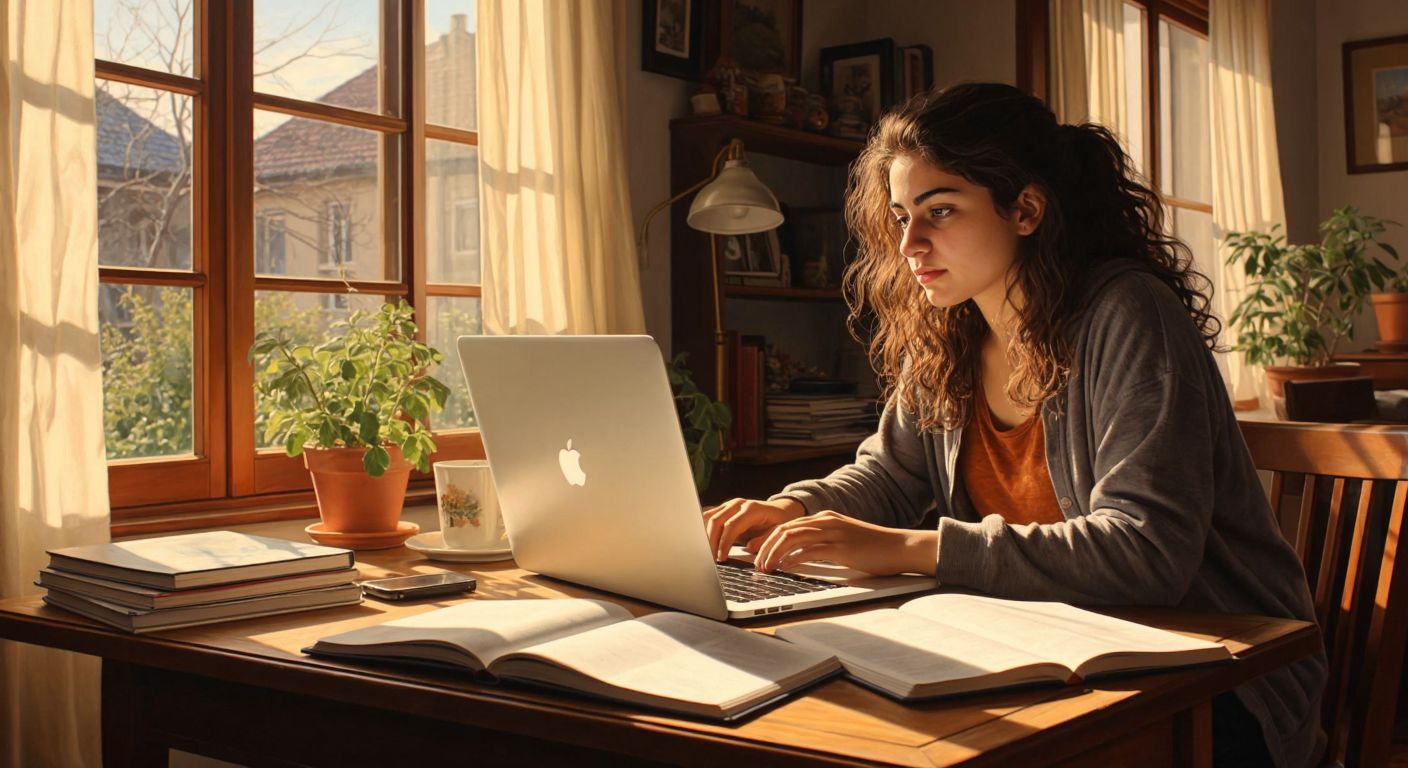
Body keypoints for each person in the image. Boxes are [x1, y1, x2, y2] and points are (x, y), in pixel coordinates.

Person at [702, 83, 1325, 768]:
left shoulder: (1128, 317)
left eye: (940, 211)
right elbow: (890, 472)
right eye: (902, 213)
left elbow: (1147, 555)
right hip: (1052, 647)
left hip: (1216, 679)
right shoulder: (951, 330)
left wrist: (910, 550)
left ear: (1025, 209)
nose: (910, 243)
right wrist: (792, 508)